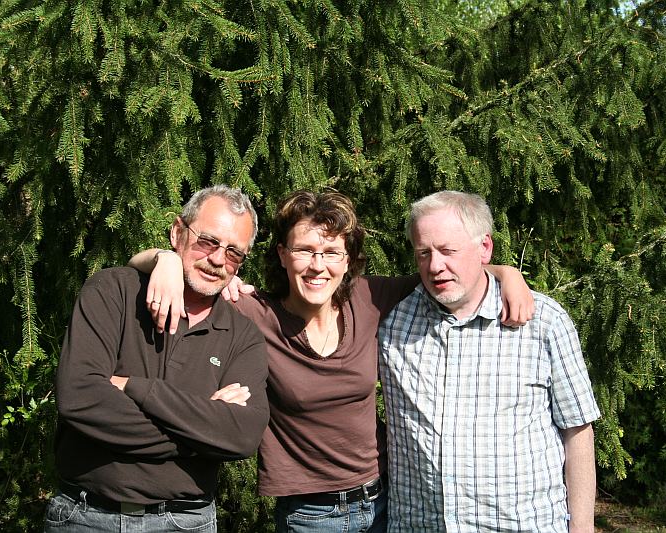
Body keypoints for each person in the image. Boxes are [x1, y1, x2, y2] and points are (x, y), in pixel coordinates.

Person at [129, 190, 535, 533]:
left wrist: (504, 273)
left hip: (386, 504)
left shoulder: (369, 299)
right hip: (310, 515)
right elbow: (176, 271)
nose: (318, 265)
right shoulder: (253, 312)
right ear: (283, 255)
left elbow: (449, 273)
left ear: (347, 259)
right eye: (304, 250)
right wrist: (163, 260)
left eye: (331, 252)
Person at [45, 185, 270, 532]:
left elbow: (243, 435)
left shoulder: (243, 336)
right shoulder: (113, 292)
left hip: (185, 521)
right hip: (87, 517)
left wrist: (135, 389)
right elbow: (79, 398)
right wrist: (200, 433)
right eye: (208, 242)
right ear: (178, 232)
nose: (217, 260)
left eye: (233, 253)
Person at [378, 190, 601, 533]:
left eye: (449, 251)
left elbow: (578, 430)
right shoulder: (392, 321)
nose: (435, 265)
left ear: (485, 248)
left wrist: (583, 529)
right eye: (424, 253)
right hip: (419, 525)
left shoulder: (543, 322)